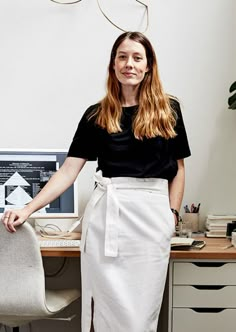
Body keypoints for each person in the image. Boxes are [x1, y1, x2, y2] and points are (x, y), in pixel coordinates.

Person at [1, 31, 191, 331]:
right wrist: (28, 209)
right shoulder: (97, 115)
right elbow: (68, 171)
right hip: (107, 220)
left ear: (148, 66)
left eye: (137, 58)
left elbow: (178, 169)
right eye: (122, 57)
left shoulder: (169, 110)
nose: (129, 63)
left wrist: (172, 214)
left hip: (152, 218)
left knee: (140, 314)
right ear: (113, 65)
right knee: (106, 309)